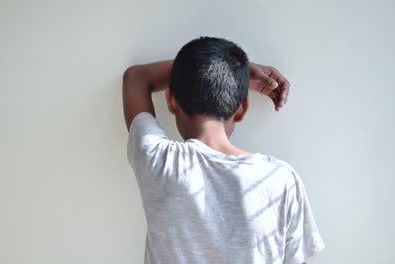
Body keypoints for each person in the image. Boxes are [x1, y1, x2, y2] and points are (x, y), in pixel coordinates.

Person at [122, 37, 325, 264]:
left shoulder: (158, 161)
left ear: (171, 100)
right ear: (242, 109)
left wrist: (234, 71)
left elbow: (136, 78)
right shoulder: (281, 180)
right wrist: (236, 71)